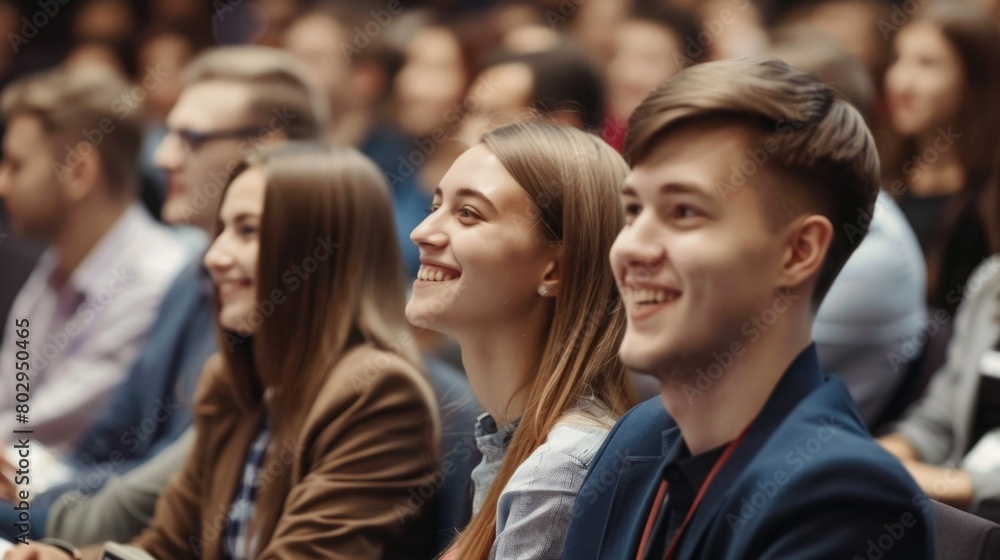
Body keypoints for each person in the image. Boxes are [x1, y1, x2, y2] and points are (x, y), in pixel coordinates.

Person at [563, 57, 933, 559]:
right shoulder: (639, 435)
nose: (630, 248)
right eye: (633, 210)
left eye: (684, 211)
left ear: (798, 253)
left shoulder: (845, 498)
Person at [5, 142, 440, 559]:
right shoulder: (234, 381)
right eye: (223, 230)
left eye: (247, 231)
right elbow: (164, 548)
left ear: (319, 253)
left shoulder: (378, 393)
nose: (214, 256)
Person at [0, 45, 331, 544]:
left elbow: (144, 497)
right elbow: (101, 448)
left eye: (190, 138)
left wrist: (29, 501)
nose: (162, 156)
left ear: (272, 147)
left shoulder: (283, 308)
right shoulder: (189, 278)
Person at [406, 121, 634, 559]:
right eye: (435, 206)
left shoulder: (557, 470)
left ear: (554, 270)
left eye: (468, 213)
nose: (422, 232)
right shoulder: (512, 441)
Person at [0, 65, 188, 451]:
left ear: (79, 171)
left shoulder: (156, 280)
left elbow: (45, 432)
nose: (2, 183)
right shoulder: (56, 264)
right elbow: (12, 401)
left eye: (16, 165)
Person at [883, 2, 1000, 317]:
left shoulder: (988, 204)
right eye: (898, 60)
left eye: (927, 64)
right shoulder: (884, 177)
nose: (901, 82)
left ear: (974, 80)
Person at [878, 254, 1000, 522]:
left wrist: (934, 483)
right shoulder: (992, 280)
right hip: (952, 510)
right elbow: (938, 420)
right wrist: (873, 458)